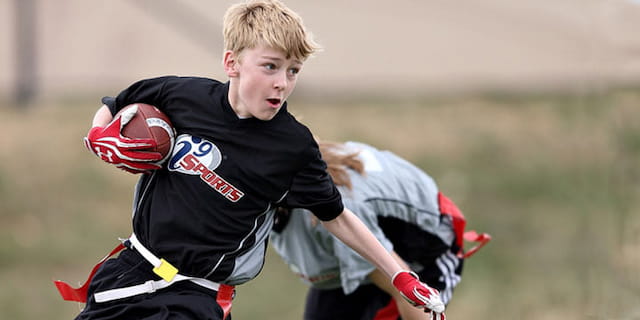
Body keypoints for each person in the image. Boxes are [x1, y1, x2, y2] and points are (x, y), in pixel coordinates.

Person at [54, 1, 445, 320]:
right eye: (270, 66)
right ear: (232, 63)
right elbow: (116, 105)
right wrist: (97, 136)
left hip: (194, 296)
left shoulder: (292, 147)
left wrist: (400, 275)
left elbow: (338, 217)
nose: (282, 82)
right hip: (131, 270)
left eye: (293, 71)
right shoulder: (182, 96)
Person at [271, 141, 489, 320]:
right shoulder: (263, 188)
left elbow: (404, 289)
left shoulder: (331, 214)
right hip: (348, 259)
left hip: (421, 258)